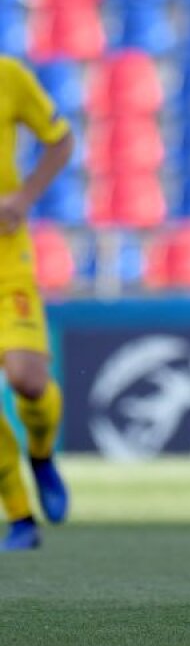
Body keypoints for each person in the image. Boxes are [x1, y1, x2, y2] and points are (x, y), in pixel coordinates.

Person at [0, 56, 73, 551]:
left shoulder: (9, 75)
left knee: (27, 380)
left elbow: (61, 139)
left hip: (7, 262)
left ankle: (42, 454)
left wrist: (22, 198)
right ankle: (20, 517)